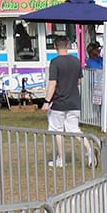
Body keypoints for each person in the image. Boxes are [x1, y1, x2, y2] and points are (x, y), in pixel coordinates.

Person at [42, 32, 91, 168]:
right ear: (68, 46)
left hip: (59, 102)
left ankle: (61, 159)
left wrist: (46, 101)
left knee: (57, 130)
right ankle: (89, 149)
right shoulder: (76, 61)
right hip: (74, 101)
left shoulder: (55, 62)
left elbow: (53, 83)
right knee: (74, 129)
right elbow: (79, 80)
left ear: (55, 46)